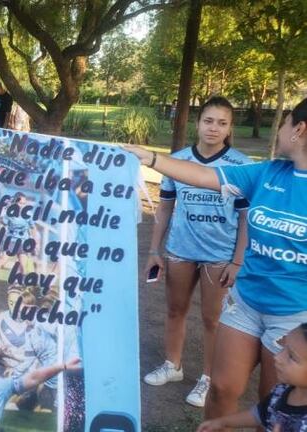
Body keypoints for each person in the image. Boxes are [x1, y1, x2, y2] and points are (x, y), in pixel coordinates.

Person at [124, 97, 307, 424]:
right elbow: (201, 176)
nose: (277, 130)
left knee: (272, 404)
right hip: (246, 304)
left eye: (284, 123)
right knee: (221, 389)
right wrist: (151, 157)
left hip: (292, 315)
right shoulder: (267, 172)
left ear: (299, 130)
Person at [142, 97, 252, 408]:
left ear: (230, 128)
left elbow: (245, 217)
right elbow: (164, 208)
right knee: (175, 310)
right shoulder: (176, 161)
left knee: (212, 319)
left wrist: (238, 260)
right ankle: (172, 365)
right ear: (197, 122)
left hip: (219, 255)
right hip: (180, 250)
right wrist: (154, 250)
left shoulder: (241, 166)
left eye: (222, 122)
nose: (214, 128)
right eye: (208, 120)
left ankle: (207, 378)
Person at [196, 323, 307, 431]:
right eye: (283, 348)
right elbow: (259, 414)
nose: (278, 357)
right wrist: (222, 422)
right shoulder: (282, 390)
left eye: (292, 357)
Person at [0, 192, 37, 278]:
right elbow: (2, 228)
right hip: (11, 242)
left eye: (24, 204)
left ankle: (22, 288)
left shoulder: (28, 215)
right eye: (20, 203)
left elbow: (33, 228)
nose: (22, 206)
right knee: (2, 261)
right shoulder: (9, 214)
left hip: (23, 242)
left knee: (23, 267)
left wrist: (34, 242)